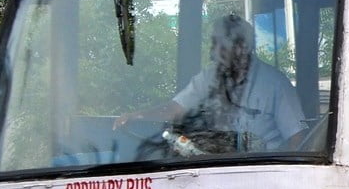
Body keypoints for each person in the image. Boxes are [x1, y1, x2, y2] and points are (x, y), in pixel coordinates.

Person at [117, 13, 305, 150]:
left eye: (218, 44)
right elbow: (175, 109)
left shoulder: (275, 83)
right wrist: (137, 115)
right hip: (215, 166)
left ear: (241, 47)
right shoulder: (209, 77)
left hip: (263, 173)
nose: (212, 51)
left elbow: (298, 137)